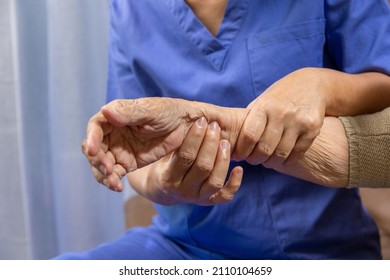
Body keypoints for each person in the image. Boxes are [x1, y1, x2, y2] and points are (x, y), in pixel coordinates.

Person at [59, 0, 390, 259]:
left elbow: (382, 79)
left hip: (319, 251)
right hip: (184, 250)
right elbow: (136, 158)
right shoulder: (129, 9)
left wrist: (323, 86)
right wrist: (164, 184)